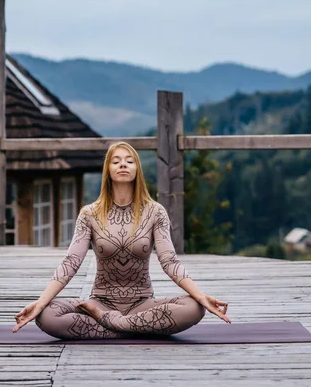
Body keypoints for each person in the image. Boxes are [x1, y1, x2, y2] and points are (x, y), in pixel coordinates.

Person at [13, 142, 231, 340]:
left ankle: (114, 324)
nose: (123, 165)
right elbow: (71, 262)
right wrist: (40, 302)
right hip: (100, 302)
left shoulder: (155, 212)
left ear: (137, 169)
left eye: (129, 161)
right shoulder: (89, 213)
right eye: (116, 161)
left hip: (142, 304)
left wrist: (200, 296)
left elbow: (170, 262)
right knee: (46, 316)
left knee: (193, 308)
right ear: (108, 170)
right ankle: (135, 328)